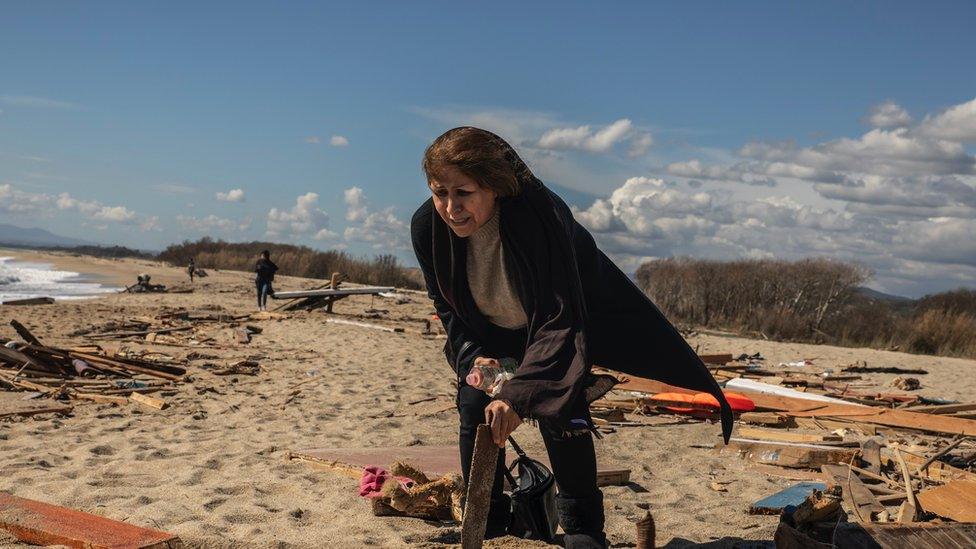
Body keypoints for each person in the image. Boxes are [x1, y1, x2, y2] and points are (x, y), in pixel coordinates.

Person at [411, 127, 733, 548]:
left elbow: (557, 318)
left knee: (562, 406)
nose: (450, 207)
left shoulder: (539, 216)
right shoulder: (426, 228)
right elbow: (449, 309)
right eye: (440, 193)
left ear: (494, 187)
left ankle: (583, 528)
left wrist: (521, 394)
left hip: (559, 323)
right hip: (488, 334)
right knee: (475, 404)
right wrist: (475, 359)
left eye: (464, 192)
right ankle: (488, 525)